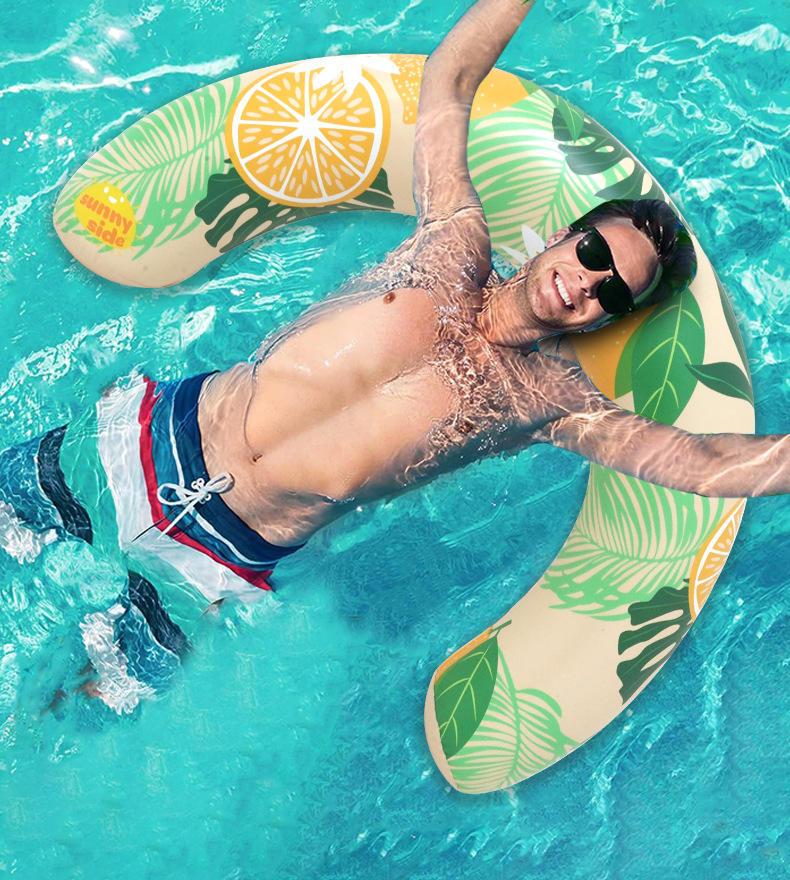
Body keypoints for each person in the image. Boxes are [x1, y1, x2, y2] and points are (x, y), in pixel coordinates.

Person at [2, 0, 788, 712]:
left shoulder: (549, 404)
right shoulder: (452, 242)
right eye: (592, 251)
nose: (586, 280)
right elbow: (450, 80)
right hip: (143, 439)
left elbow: (701, 465)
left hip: (221, 560)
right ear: (561, 234)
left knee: (65, 710)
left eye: (612, 290)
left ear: (608, 316)